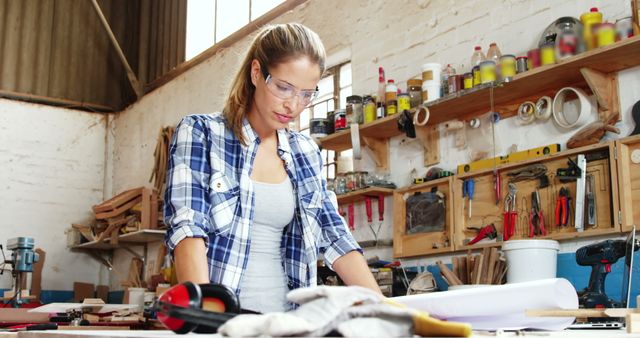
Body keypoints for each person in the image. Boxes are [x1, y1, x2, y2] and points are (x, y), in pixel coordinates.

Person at [164, 23, 380, 313]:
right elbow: (188, 228)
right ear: (256, 73)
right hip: (224, 319)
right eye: (283, 87)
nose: (292, 105)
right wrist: (206, 319)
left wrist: (385, 310)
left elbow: (334, 236)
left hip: (287, 320)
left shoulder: (305, 152)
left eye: (306, 94)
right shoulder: (202, 133)